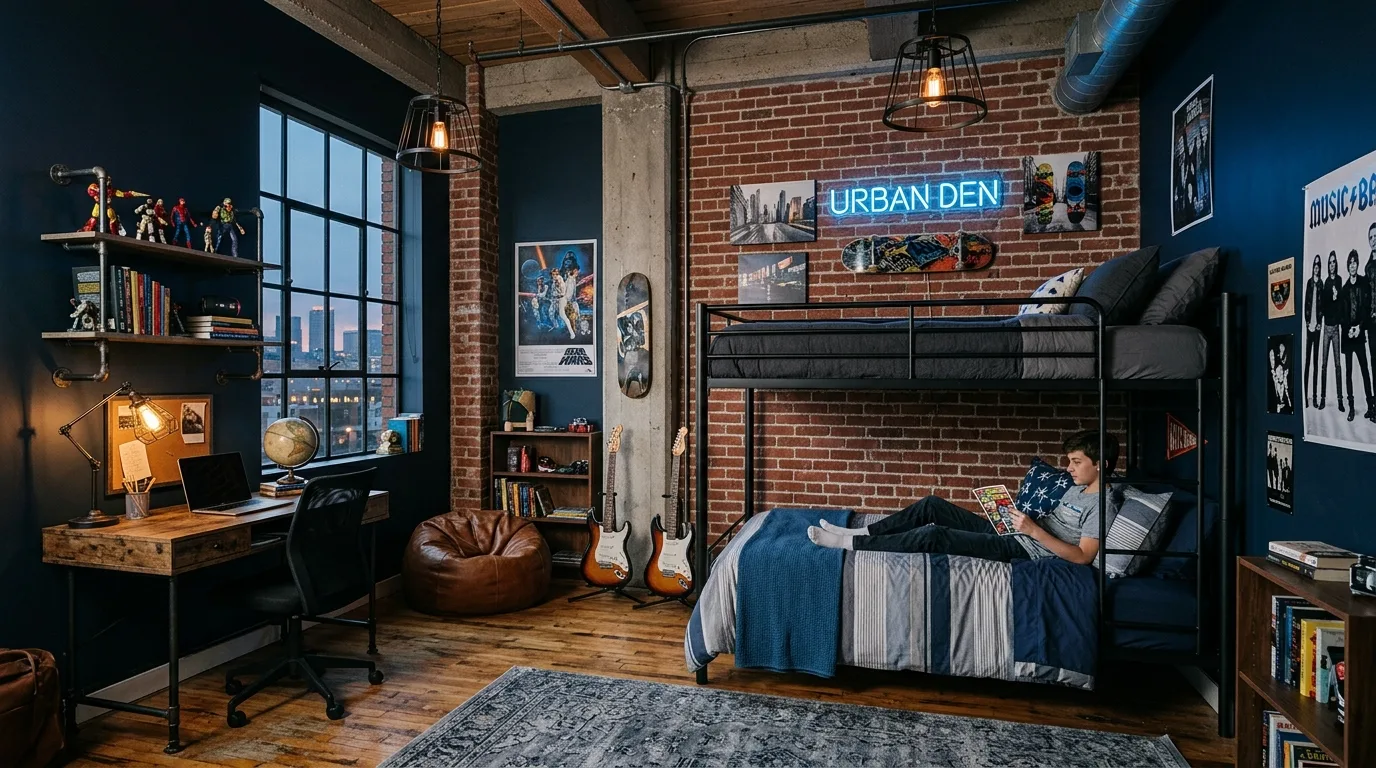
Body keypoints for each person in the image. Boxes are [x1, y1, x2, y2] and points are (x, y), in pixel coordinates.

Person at [808, 430, 1119, 566]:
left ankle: (851, 544)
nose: (1069, 468)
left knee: (934, 535)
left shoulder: (1101, 505)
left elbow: (1082, 557)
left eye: (1076, 462)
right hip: (1017, 532)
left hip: (1023, 549)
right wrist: (1016, 517)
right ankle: (859, 531)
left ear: (1100, 465)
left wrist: (1033, 530)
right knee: (932, 504)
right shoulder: (1077, 487)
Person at [1341, 249, 1374, 422]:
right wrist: (1348, 329)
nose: (1352, 265)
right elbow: (1342, 314)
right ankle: (1351, 408)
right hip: (1347, 337)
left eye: (1355, 262)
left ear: (1357, 264)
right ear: (1347, 266)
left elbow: (1366, 307)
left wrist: (1360, 327)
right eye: (1350, 262)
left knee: (1365, 371)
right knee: (1348, 373)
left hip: (1360, 334)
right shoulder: (1344, 288)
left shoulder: (1363, 283)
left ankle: (1371, 406)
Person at [1320, 251, 1345, 411]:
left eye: (1334, 262)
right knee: (1323, 365)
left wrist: (1337, 298)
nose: (1332, 265)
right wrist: (1332, 298)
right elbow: (1324, 306)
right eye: (1330, 262)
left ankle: (1340, 400)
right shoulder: (1326, 283)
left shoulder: (1340, 280)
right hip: (1326, 328)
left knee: (1337, 365)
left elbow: (1341, 305)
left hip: (1336, 329)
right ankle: (1322, 399)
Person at [1305, 254, 1324, 408]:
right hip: (1309, 327)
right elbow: (1306, 303)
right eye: (1315, 265)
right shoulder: (1309, 283)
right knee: (1307, 362)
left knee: (1316, 363)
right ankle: (1305, 396)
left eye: (1318, 265)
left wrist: (1320, 322)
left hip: (1317, 328)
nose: (1316, 267)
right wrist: (1307, 322)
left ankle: (1315, 397)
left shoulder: (1322, 284)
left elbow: (1322, 306)